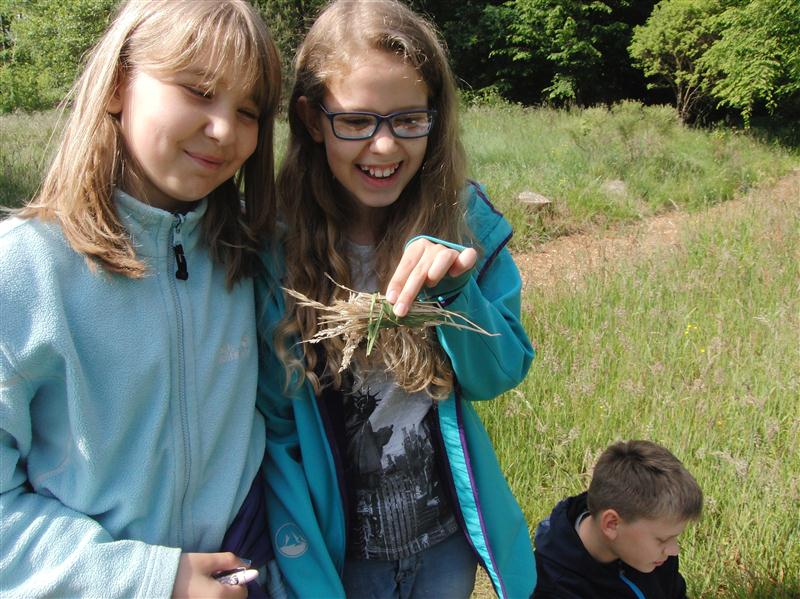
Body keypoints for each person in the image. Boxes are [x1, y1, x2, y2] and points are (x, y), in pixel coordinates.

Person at [0, 1, 285, 597]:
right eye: (198, 90)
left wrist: (435, 251)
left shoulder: (251, 251)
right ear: (117, 85)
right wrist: (153, 578)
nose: (225, 130)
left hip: (245, 575)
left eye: (248, 110)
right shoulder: (23, 270)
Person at [254, 1, 536, 598]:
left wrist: (454, 289)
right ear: (311, 119)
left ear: (435, 115)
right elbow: (274, 428)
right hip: (335, 558)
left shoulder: (466, 223)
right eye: (356, 121)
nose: (384, 147)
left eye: (409, 119)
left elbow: (500, 373)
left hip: (442, 551)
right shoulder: (272, 246)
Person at [532, 440, 703, 599]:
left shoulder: (655, 554)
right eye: (663, 539)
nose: (674, 550)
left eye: (675, 537)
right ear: (611, 524)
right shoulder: (556, 589)